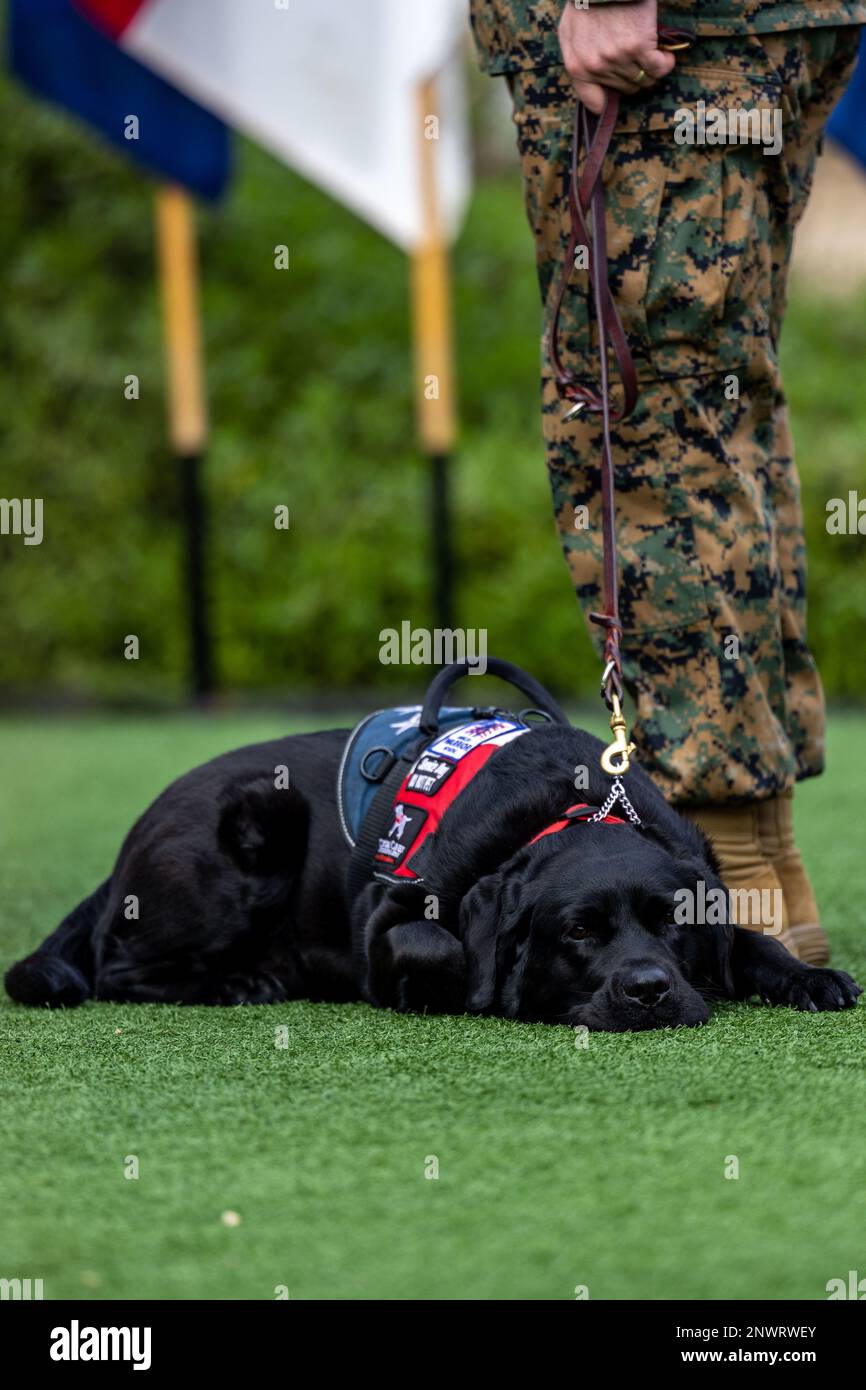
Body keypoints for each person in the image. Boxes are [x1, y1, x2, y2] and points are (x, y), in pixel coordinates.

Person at [469, 0, 866, 962]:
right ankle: (763, 870)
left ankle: (715, 866)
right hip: (751, 28)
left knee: (648, 417)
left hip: (668, 35)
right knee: (721, 406)